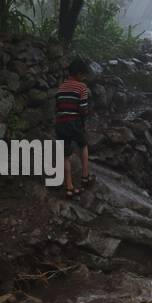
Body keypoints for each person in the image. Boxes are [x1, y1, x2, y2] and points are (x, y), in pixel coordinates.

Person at [55, 58, 92, 198]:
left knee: (65, 155)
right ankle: (85, 176)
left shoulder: (61, 87)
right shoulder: (81, 87)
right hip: (74, 122)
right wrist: (84, 117)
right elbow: (83, 109)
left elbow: (58, 107)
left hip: (60, 123)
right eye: (83, 75)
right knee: (83, 145)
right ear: (78, 74)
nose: (84, 78)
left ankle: (69, 187)